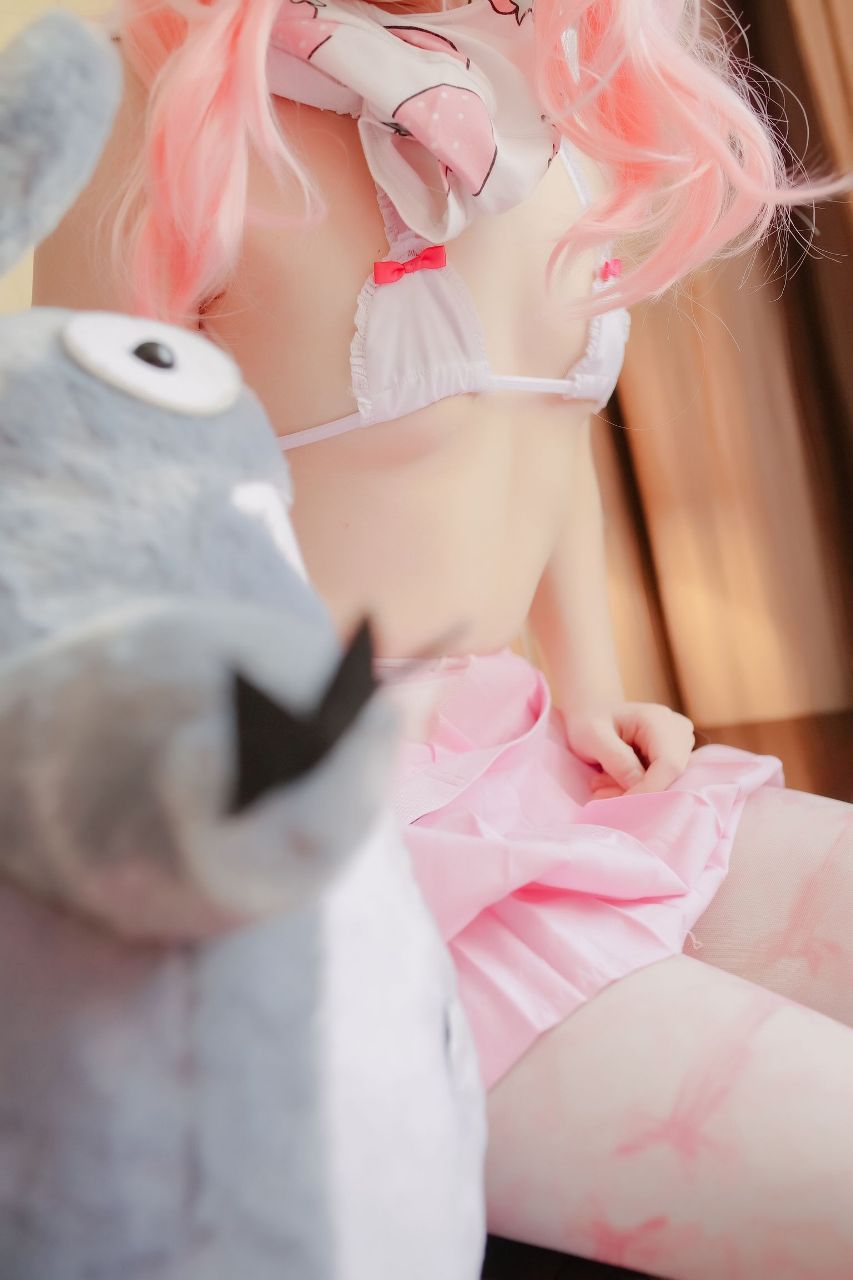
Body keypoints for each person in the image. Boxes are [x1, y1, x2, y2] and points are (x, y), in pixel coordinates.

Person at [34, 0, 853, 1272]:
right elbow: (90, 532)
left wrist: (591, 682)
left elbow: (544, 413)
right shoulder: (142, 102)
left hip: (524, 750)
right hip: (332, 819)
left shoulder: (538, 75)